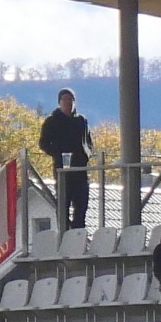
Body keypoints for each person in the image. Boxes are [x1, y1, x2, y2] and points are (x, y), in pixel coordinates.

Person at [39, 88, 93, 228]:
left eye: (70, 100)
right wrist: (58, 154)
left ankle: (78, 232)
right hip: (62, 170)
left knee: (81, 204)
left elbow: (88, 142)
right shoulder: (52, 121)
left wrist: (86, 154)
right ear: (59, 102)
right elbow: (43, 143)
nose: (68, 103)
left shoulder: (81, 121)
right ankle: (64, 233)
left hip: (80, 169)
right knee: (63, 204)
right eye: (65, 100)